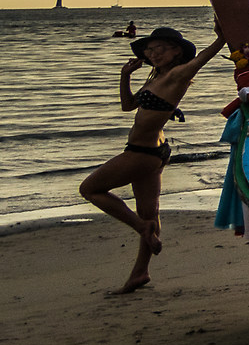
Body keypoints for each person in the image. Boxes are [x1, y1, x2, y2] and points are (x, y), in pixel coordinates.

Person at [81, 26, 223, 293]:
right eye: (149, 49)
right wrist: (125, 75)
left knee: (89, 189)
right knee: (150, 211)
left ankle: (140, 227)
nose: (152, 53)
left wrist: (222, 38)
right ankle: (140, 272)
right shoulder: (156, 76)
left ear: (176, 51)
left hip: (141, 154)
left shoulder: (179, 75)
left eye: (159, 48)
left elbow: (203, 58)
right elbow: (127, 105)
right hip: (154, 152)